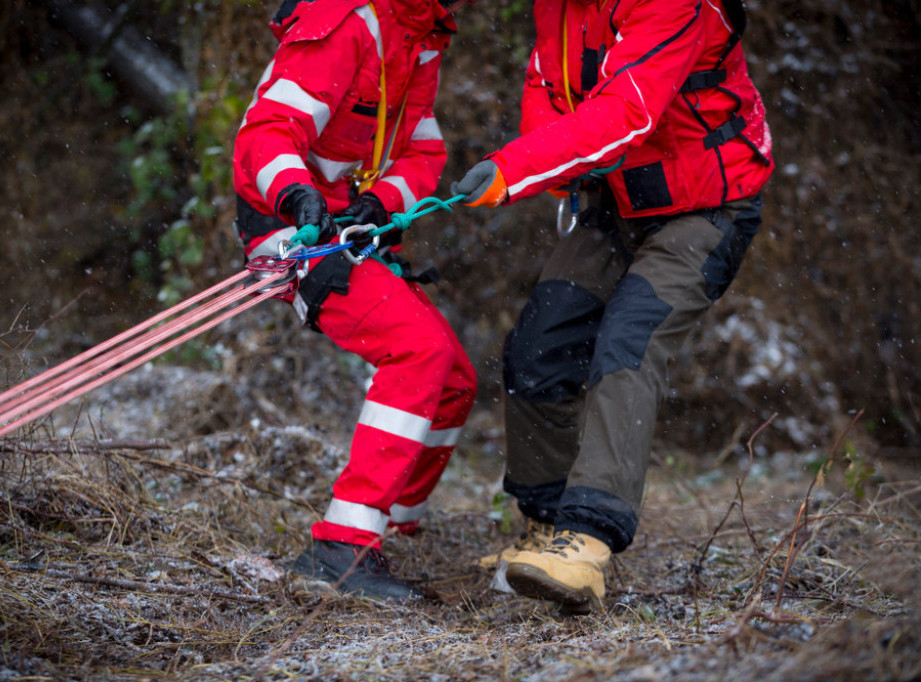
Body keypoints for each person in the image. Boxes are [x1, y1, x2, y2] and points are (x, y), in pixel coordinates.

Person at [453, 0, 773, 612]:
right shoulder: (558, 6)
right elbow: (546, 90)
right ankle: (546, 527)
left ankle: (589, 541)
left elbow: (628, 111)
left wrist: (513, 168)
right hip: (618, 206)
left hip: (706, 209)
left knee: (628, 346)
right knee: (536, 348)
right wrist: (536, 161)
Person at [233, 0, 475, 601]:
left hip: (348, 223)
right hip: (292, 228)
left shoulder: (420, 34)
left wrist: (380, 203)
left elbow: (423, 151)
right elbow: (265, 134)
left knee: (454, 378)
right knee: (416, 349)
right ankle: (343, 546)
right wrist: (296, 197)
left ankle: (395, 523)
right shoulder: (349, 22)